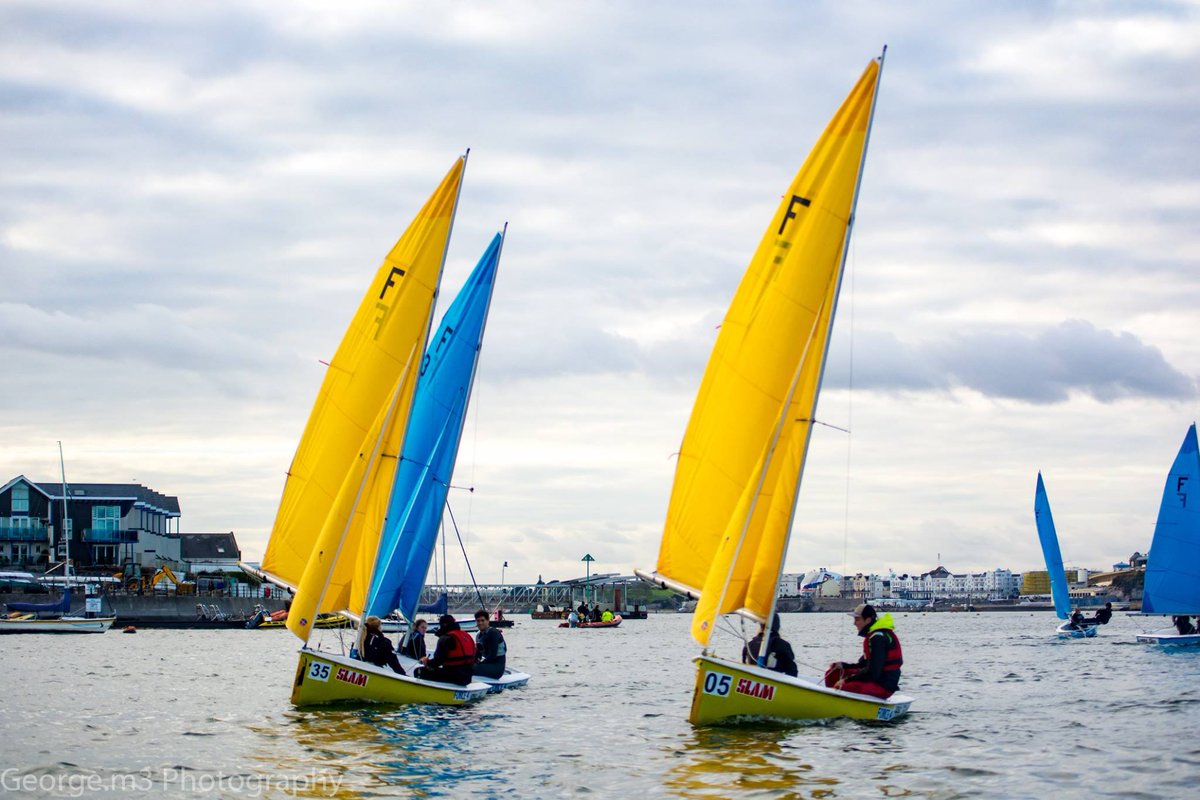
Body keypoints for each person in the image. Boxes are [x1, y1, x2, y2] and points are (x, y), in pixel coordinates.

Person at [824, 604, 902, 699]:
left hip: (883, 686)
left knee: (843, 686)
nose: (854, 623)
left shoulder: (878, 638)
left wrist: (847, 680)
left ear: (868, 620)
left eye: (857, 619)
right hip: (875, 679)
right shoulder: (873, 636)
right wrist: (843, 665)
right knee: (833, 673)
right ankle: (829, 699)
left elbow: (873, 673)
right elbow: (863, 665)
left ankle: (835, 701)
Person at [414, 614, 475, 685]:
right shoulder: (467, 636)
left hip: (455, 677)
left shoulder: (445, 638)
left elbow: (437, 661)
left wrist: (427, 662)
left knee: (418, 671)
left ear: (443, 625)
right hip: (467, 678)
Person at [473, 609, 507, 680]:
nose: (480, 623)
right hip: (489, 665)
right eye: (478, 621)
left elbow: (492, 656)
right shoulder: (478, 635)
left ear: (488, 621)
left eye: (482, 620)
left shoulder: (493, 632)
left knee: (470, 668)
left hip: (497, 668)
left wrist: (479, 664)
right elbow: (478, 654)